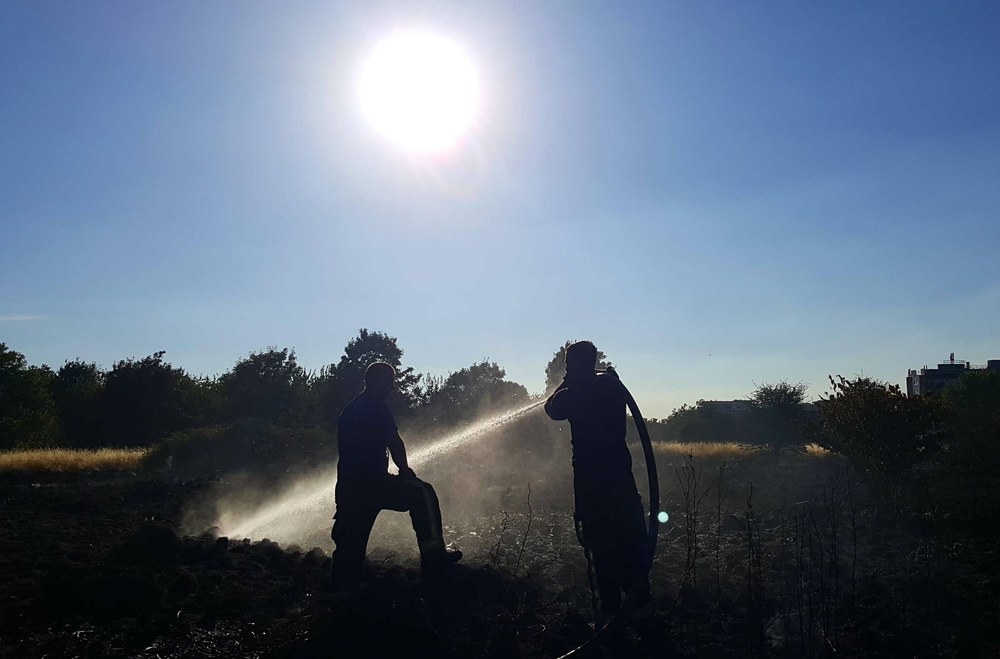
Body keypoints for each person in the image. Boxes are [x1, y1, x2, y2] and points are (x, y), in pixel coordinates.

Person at [330, 362, 461, 591]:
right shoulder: (376, 407)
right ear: (376, 381)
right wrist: (405, 471)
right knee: (422, 492)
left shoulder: (350, 410)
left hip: (349, 490)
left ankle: (340, 596)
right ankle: (434, 560)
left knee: (349, 547)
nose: (392, 387)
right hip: (374, 486)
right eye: (389, 382)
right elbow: (393, 441)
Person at [544, 341, 652, 615]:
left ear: (576, 365)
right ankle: (640, 606)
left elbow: (551, 408)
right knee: (632, 540)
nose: (566, 369)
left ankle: (608, 615)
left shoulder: (574, 394)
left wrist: (567, 380)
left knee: (599, 548)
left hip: (591, 485)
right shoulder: (612, 386)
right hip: (621, 479)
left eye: (568, 364)